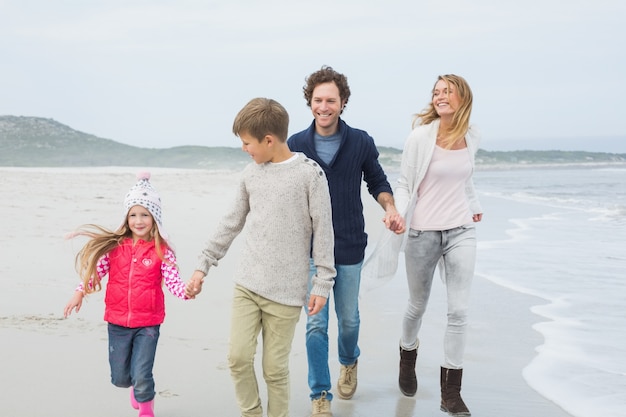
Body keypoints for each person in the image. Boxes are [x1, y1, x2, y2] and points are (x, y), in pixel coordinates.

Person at [185, 97, 336, 417]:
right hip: (248, 285)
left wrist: (322, 283)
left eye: (247, 143)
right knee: (238, 358)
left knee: (274, 370)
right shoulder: (250, 175)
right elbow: (230, 223)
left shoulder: (310, 175)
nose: (244, 149)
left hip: (286, 293)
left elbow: (324, 232)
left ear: (269, 140)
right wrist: (202, 266)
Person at [287, 65, 405, 417]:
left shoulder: (360, 142)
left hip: (350, 244)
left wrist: (391, 208)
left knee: (349, 319)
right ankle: (319, 395)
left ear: (342, 103)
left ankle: (349, 361)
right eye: (318, 100)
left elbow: (377, 182)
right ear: (310, 102)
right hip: (309, 251)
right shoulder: (296, 145)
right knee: (315, 323)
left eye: (331, 100)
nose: (324, 107)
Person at [386, 74, 483, 416]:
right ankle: (407, 355)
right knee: (417, 305)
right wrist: (397, 212)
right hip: (423, 232)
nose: (440, 96)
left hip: (460, 231)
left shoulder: (471, 137)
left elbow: (466, 180)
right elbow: (404, 182)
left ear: (462, 99)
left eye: (447, 92)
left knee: (458, 311)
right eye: (436, 92)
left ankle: (450, 395)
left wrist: (474, 207)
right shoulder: (419, 137)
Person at [63, 172, 190, 417]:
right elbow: (96, 273)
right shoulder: (115, 248)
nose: (139, 221)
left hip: (148, 323)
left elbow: (174, 281)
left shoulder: (161, 251)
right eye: (133, 215)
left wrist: (186, 291)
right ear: (126, 218)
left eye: (145, 215)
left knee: (142, 373)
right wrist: (80, 292)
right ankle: (134, 387)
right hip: (117, 322)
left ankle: (146, 407)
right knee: (121, 378)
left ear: (155, 218)